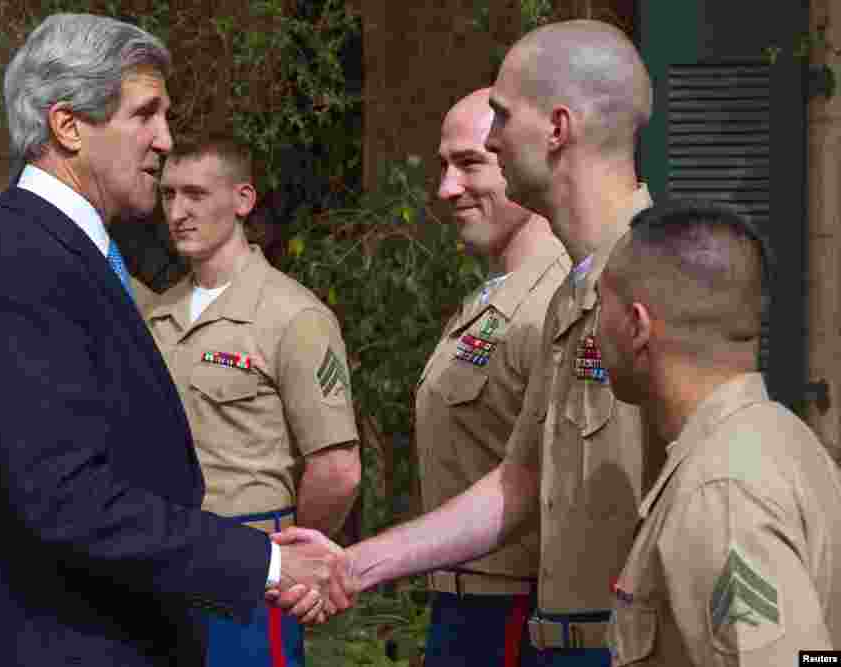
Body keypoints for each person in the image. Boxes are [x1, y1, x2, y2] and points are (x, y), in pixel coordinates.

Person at [0, 14, 336, 667]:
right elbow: (65, 496)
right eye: (145, 115)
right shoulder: (20, 256)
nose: (165, 139)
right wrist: (267, 559)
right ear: (67, 126)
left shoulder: (69, 249)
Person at [271, 20, 659, 666]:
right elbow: (519, 482)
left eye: (501, 119)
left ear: (557, 129)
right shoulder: (578, 287)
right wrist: (357, 564)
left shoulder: (660, 276)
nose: (494, 138)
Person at [147, 135, 362, 667]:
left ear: (243, 200)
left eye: (196, 194)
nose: (179, 211)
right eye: (169, 195)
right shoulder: (158, 317)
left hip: (249, 569)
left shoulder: (293, 317)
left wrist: (286, 554)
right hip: (166, 559)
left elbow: (338, 472)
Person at [597, 200, 841, 664]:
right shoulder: (786, 441)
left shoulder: (724, 491)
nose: (594, 329)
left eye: (599, 304)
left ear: (636, 325)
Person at [416, 88, 568, 666]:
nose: (446, 189)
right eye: (444, 166)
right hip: (461, 609)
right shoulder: (496, 293)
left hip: (513, 614)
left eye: (471, 163)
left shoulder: (558, 300)